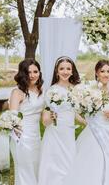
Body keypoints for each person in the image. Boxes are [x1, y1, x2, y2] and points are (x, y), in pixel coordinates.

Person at [63, 59, 109, 185]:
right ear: (97, 73)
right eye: (102, 71)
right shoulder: (88, 90)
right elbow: (78, 108)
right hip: (93, 132)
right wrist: (86, 117)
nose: (106, 74)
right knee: (93, 162)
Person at [38, 56, 81, 185]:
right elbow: (45, 120)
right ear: (57, 71)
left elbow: (74, 113)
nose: (65, 71)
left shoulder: (76, 89)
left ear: (72, 71)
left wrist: (87, 122)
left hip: (68, 133)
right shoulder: (52, 90)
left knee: (69, 161)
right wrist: (50, 118)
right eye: (62, 68)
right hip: (55, 132)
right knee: (54, 163)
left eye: (68, 68)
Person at [9, 59, 44, 185]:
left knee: (35, 168)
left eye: (36, 71)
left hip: (36, 136)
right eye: (29, 72)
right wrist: (17, 132)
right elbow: (12, 116)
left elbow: (43, 115)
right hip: (22, 136)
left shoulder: (41, 91)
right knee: (24, 170)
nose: (33, 75)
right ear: (23, 74)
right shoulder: (17, 92)